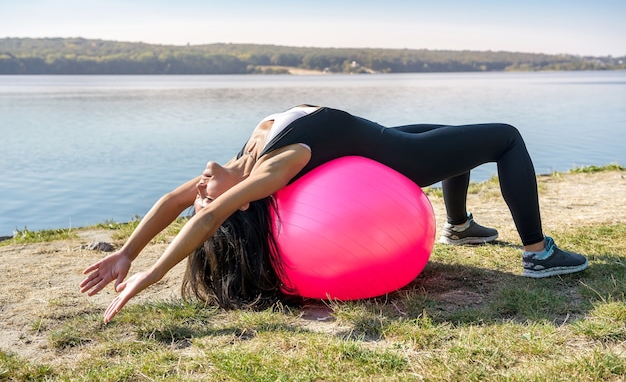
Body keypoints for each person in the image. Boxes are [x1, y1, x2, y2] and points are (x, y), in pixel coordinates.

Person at [80, 105, 588, 322]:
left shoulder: (237, 165)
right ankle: (538, 253)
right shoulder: (274, 168)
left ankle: (459, 227)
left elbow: (174, 204)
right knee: (504, 137)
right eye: (206, 195)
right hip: (396, 159)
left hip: (380, 135)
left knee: (458, 134)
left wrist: (126, 251)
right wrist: (150, 275)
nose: (198, 187)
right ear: (240, 200)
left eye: (200, 192)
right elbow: (202, 221)